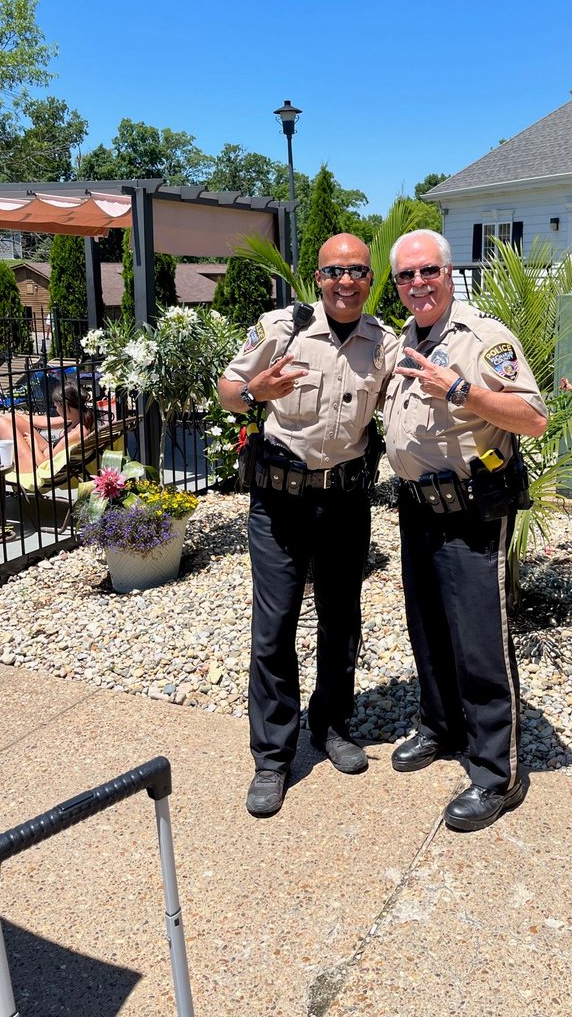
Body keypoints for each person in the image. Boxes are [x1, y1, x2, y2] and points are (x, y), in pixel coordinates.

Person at [219, 234, 397, 817]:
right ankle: (272, 757)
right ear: (318, 278)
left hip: (345, 504)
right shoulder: (281, 329)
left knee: (341, 620)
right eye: (335, 271)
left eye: (359, 272)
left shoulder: (385, 345)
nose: (347, 281)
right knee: (275, 626)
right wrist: (254, 391)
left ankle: (332, 726)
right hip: (281, 505)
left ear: (371, 281)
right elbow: (227, 390)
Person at [383, 229, 549, 833]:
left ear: (449, 273)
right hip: (416, 506)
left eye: (427, 271)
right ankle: (440, 724)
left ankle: (493, 772)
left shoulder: (483, 338)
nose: (417, 283)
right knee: (426, 628)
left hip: (473, 509)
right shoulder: (405, 338)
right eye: (405, 276)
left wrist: (461, 389)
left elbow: (532, 417)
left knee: (480, 639)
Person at [0, 382, 96, 471]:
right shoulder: (82, 418)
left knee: (0, 423)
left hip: (36, 464)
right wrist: (16, 415)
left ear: (65, 406)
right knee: (8, 418)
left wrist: (33, 443)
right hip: (46, 452)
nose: (56, 409)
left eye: (56, 406)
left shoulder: (74, 435)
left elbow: (43, 463)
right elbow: (44, 422)